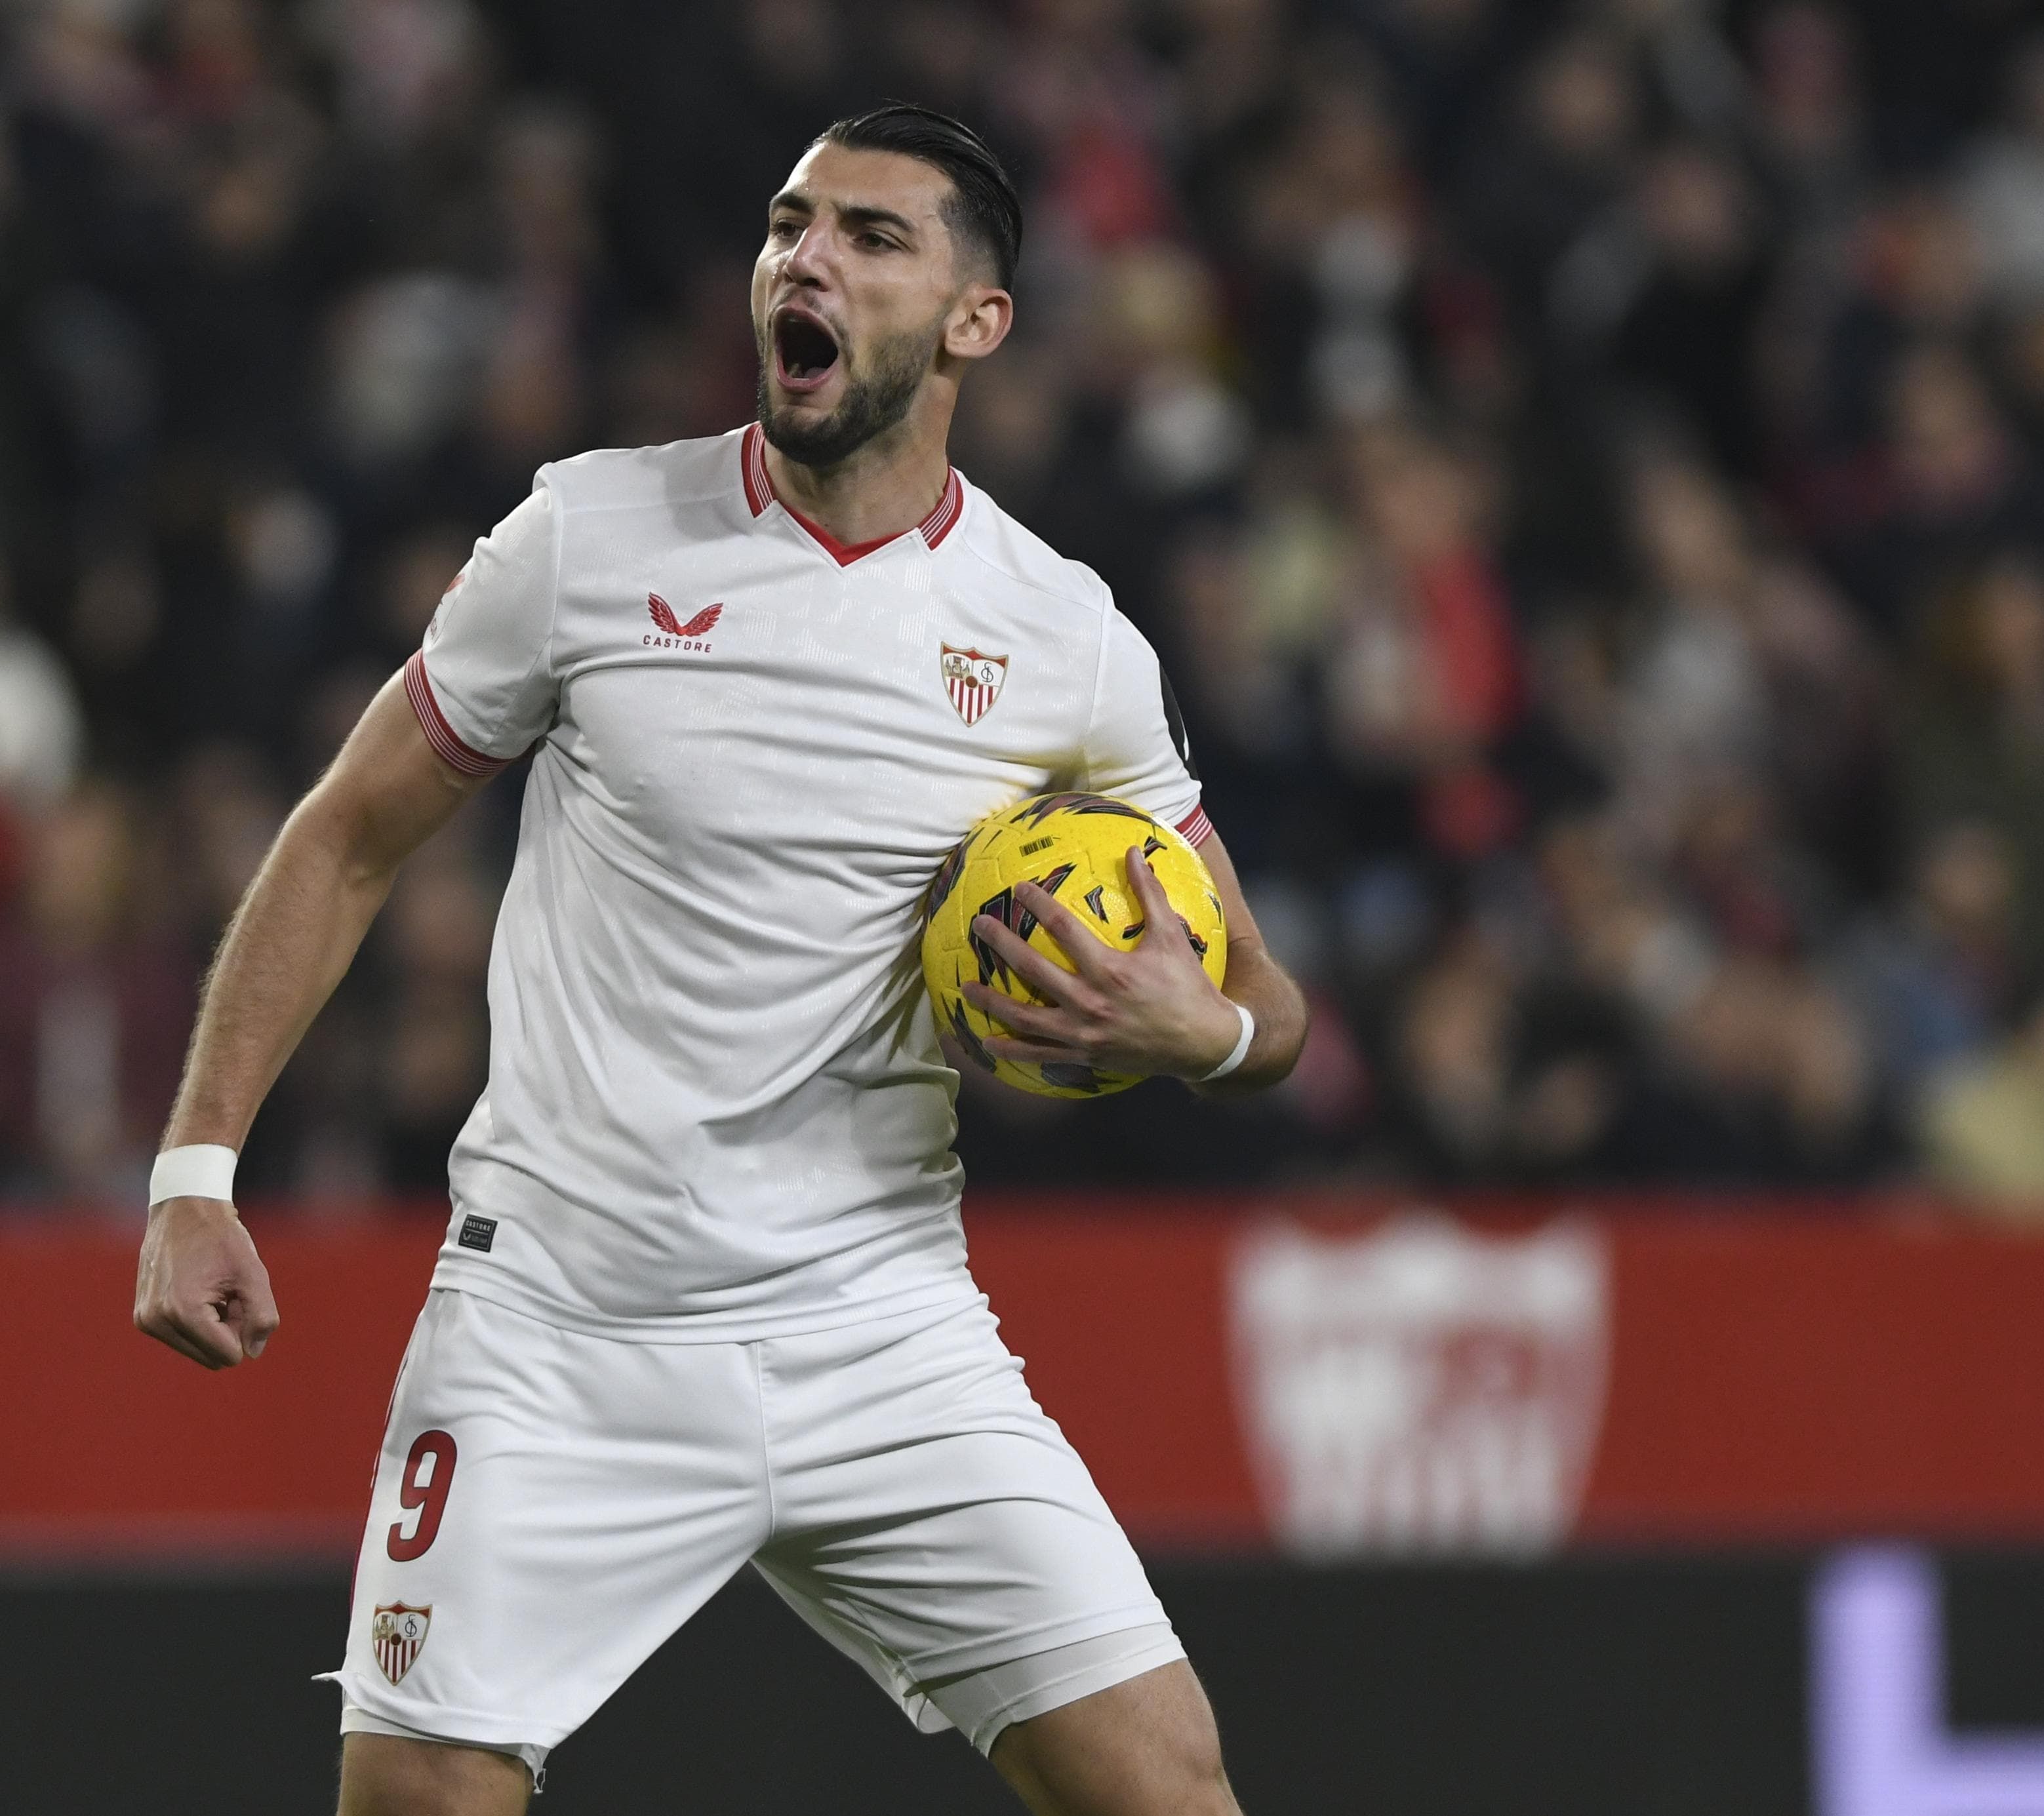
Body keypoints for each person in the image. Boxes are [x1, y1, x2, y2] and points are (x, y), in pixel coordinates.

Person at [132, 106, 1306, 1816]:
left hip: (883, 1323)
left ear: (977, 320)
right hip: (561, 1321)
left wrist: (1195, 1029)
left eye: (870, 237)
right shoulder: (586, 542)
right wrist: (193, 1163)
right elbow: (349, 833)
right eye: (787, 226)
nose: (803, 261)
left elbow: (1268, 1008)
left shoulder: (1063, 639)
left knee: (1170, 1784)